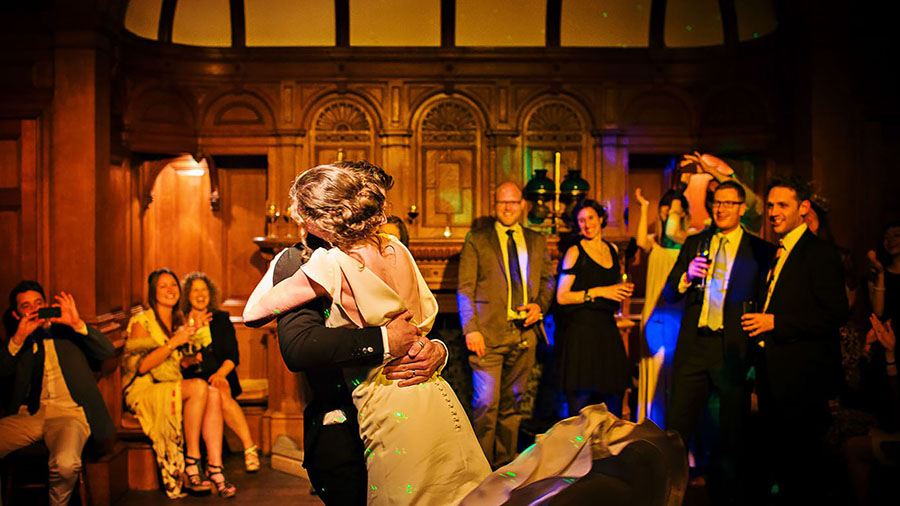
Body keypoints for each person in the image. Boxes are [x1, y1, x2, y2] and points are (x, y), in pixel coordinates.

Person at [246, 161, 687, 505]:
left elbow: (253, 312)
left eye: (300, 211)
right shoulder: (396, 248)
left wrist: (435, 349)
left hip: (388, 404)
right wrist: (419, 342)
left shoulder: (325, 264)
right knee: (461, 491)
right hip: (433, 398)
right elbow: (412, 321)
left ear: (318, 217)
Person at [661, 180, 775, 504]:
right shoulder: (696, 242)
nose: (721, 208)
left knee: (732, 433)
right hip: (696, 344)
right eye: (717, 203)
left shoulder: (760, 250)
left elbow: (767, 299)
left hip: (733, 348)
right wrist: (686, 276)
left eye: (728, 203)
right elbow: (670, 293)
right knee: (678, 427)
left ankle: (728, 496)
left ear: (742, 208)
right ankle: (672, 493)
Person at [741, 175, 849, 504]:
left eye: (782, 205)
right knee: (782, 465)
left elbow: (835, 314)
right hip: (775, 375)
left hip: (803, 379)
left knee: (803, 471)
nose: (773, 212)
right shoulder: (779, 252)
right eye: (770, 205)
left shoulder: (818, 253)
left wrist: (776, 322)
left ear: (803, 208)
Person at [457, 181, 555, 468]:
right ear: (494, 205)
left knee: (513, 407)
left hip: (525, 335)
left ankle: (504, 468)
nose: (509, 207)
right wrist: (471, 328)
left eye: (513, 202)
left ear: (523, 204)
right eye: (503, 203)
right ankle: (480, 470)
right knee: (486, 405)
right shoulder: (478, 239)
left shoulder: (537, 241)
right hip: (486, 335)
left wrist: (540, 306)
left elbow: (548, 281)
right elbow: (465, 287)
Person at [123, 268, 235, 498]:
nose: (170, 290)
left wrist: (191, 352)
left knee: (212, 393)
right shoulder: (141, 322)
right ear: (153, 292)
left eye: (173, 285)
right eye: (163, 286)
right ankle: (191, 461)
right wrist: (174, 342)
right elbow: (142, 367)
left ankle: (214, 466)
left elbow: (175, 363)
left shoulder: (177, 320)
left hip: (170, 383)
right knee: (199, 387)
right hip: (144, 389)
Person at [0, 281, 115, 506]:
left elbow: (107, 351)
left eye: (38, 303)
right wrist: (17, 340)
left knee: (65, 463)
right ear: (17, 313)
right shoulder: (17, 342)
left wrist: (78, 323)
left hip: (69, 414)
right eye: (26, 306)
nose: (34, 309)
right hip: (28, 415)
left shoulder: (68, 333)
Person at [555, 199, 633, 418]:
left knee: (614, 400)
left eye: (590, 218)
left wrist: (620, 291)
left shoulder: (613, 249)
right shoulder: (574, 252)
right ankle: (578, 451)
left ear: (601, 219)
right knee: (580, 406)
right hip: (582, 333)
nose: (587, 224)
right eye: (581, 220)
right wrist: (599, 291)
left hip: (607, 331)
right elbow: (561, 297)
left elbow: (612, 286)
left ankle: (609, 451)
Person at [179, 272, 259, 472]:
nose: (200, 294)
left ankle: (249, 448)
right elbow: (179, 360)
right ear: (187, 295)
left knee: (219, 391)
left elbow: (233, 356)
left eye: (204, 289)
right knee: (207, 391)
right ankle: (210, 458)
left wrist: (221, 374)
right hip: (192, 379)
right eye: (195, 290)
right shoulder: (179, 322)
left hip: (221, 374)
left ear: (210, 293)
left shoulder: (221, 319)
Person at [634, 187, 690, 427]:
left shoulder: (688, 241)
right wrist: (644, 206)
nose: (670, 212)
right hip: (653, 315)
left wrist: (677, 209)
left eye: (675, 209)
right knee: (654, 370)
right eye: (667, 207)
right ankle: (651, 425)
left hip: (677, 315)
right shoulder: (653, 243)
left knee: (674, 370)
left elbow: (673, 231)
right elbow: (639, 241)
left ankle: (674, 426)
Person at [868, 221, 900, 325]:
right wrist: (880, 274)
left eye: (896, 235)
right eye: (886, 237)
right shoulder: (877, 273)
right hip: (885, 335)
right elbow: (878, 312)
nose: (890, 240)